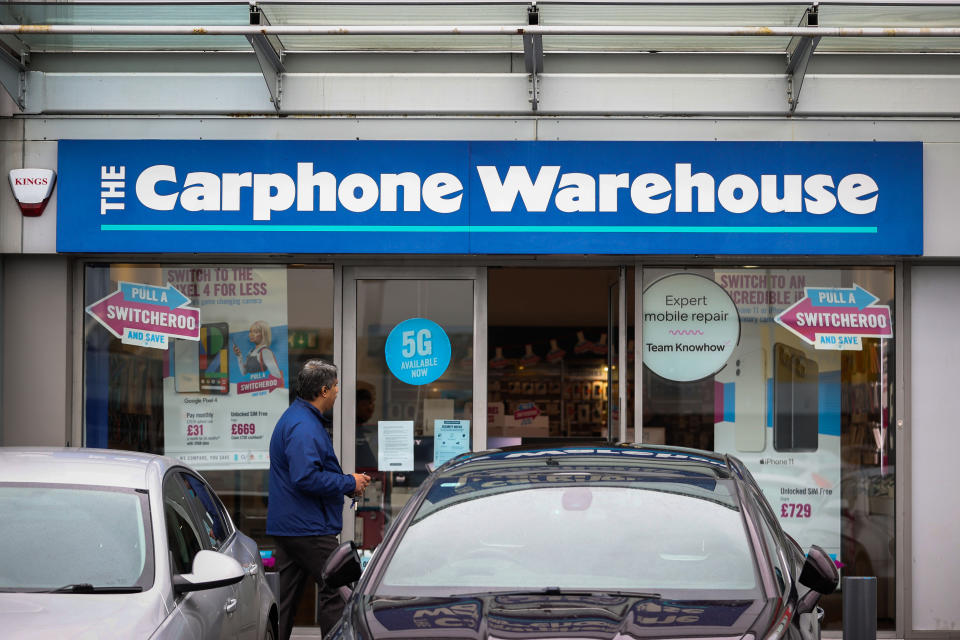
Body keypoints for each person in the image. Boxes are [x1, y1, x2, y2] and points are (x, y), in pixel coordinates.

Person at [267, 359, 371, 640]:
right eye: (336, 386)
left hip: (292, 526)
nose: (338, 391)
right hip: (309, 527)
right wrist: (349, 482)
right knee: (337, 589)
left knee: (284, 603)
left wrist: (347, 484)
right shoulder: (303, 426)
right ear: (324, 390)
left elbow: (306, 473)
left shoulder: (298, 419)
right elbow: (305, 477)